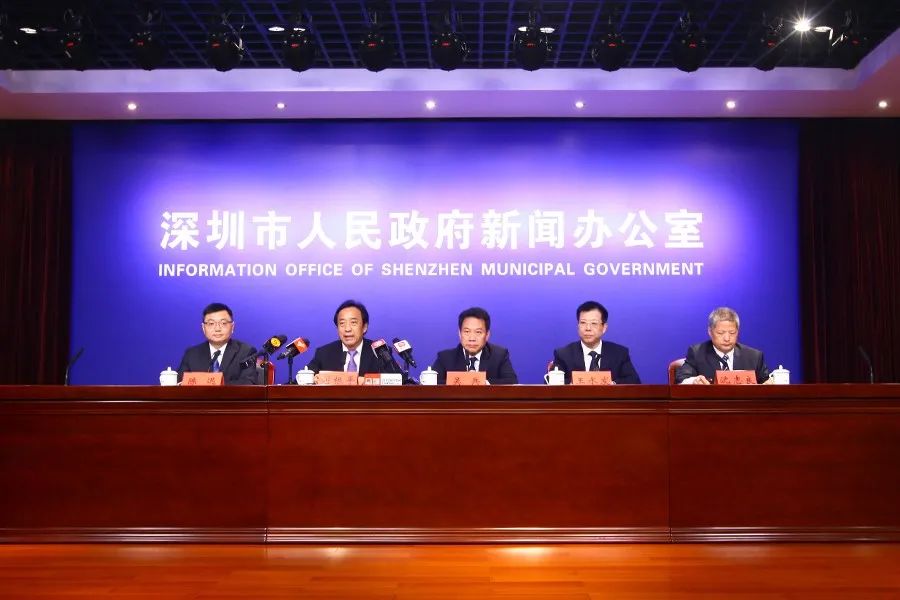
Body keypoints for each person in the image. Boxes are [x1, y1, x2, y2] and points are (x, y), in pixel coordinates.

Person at [551, 301, 640, 384]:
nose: (588, 328)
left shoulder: (619, 353)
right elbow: (551, 383)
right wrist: (573, 385)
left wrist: (612, 385)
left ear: (604, 328)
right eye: (583, 322)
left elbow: (633, 381)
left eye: (593, 323)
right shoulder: (563, 354)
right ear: (578, 326)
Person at [676, 306, 770, 384]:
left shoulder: (754, 356)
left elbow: (767, 383)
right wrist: (694, 381)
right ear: (710, 332)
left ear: (738, 332)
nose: (727, 338)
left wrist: (770, 382)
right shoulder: (697, 353)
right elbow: (681, 379)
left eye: (732, 333)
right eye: (721, 333)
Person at [177, 302, 258, 385]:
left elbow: (249, 383)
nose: (217, 329)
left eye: (223, 323)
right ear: (203, 328)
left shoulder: (246, 352)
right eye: (211, 323)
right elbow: (179, 383)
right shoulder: (191, 354)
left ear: (232, 327)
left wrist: (215, 384)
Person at [433, 307, 518, 385]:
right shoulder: (445, 358)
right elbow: (432, 383)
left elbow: (511, 382)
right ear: (459, 333)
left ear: (487, 335)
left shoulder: (499, 356)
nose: (472, 338)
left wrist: (482, 382)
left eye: (478, 332)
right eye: (467, 331)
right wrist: (467, 381)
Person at [307, 299, 378, 374]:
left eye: (353, 322)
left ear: (364, 327)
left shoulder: (379, 352)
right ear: (337, 328)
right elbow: (304, 377)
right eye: (342, 323)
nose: (347, 329)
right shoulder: (323, 353)